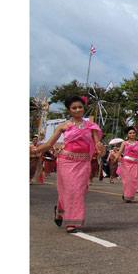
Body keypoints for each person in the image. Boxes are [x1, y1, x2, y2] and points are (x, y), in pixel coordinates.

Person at [30, 96, 104, 233]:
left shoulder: (91, 127)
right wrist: (35, 150)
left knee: (78, 191)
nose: (77, 110)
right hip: (67, 161)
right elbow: (49, 144)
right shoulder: (63, 126)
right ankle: (71, 222)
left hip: (83, 162)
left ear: (84, 108)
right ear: (69, 110)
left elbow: (98, 146)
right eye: (74, 108)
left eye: (80, 107)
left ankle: (60, 210)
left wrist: (101, 148)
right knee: (70, 190)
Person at [113, 127, 138, 202]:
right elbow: (120, 152)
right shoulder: (124, 143)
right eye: (130, 133)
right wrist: (116, 158)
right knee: (127, 180)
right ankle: (127, 195)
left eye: (133, 133)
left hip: (134, 164)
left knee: (133, 180)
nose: (132, 134)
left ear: (135, 134)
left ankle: (129, 195)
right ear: (127, 135)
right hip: (125, 163)